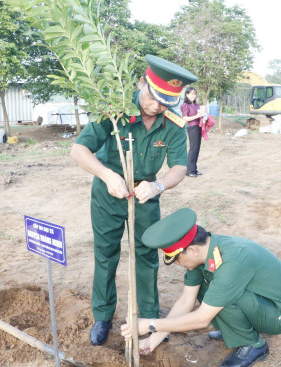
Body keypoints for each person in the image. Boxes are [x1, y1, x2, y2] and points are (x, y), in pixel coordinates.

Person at [70, 54, 198, 346]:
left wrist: (158, 186)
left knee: (146, 255)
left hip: (145, 197)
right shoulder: (112, 112)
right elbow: (79, 150)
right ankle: (103, 316)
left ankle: (149, 319)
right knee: (106, 254)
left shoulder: (174, 123)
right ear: (142, 82)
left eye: (167, 102)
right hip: (109, 192)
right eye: (153, 98)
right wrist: (106, 175)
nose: (157, 106)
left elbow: (179, 167)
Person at [121, 208, 281, 367]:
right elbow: (186, 301)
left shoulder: (231, 260)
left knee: (221, 297)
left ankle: (253, 345)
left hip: (278, 315)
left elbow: (202, 319)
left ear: (193, 250)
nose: (177, 263)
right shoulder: (203, 254)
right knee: (207, 291)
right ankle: (233, 330)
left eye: (177, 258)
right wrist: (154, 338)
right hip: (256, 302)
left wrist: (151, 324)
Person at [181, 87, 204, 177]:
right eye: (191, 94)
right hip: (192, 127)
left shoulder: (197, 105)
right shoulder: (185, 105)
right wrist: (196, 116)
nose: (193, 96)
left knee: (197, 148)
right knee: (193, 148)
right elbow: (185, 118)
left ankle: (194, 169)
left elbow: (201, 115)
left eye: (194, 94)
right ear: (187, 95)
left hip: (199, 127)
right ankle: (189, 170)